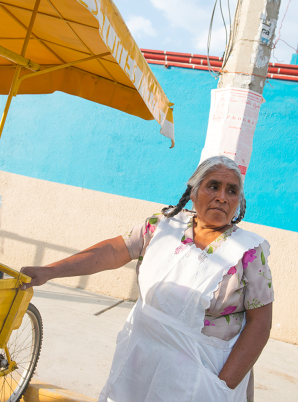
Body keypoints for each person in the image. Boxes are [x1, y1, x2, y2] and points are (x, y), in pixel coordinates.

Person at [21, 156, 274, 402]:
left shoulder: (248, 253)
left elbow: (259, 324)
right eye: (213, 186)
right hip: (138, 365)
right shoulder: (163, 226)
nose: (222, 196)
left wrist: (222, 386)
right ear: (193, 191)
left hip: (201, 380)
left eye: (232, 190)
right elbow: (112, 251)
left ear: (238, 201)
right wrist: (50, 271)